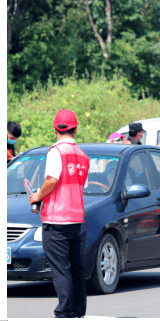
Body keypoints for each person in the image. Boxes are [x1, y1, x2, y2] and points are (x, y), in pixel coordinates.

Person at [29, 109, 90, 318]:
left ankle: (64, 311)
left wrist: (38, 196)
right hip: (75, 218)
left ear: (56, 128)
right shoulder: (83, 156)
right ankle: (78, 310)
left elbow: (52, 179)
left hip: (56, 218)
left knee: (60, 269)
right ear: (75, 129)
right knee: (76, 268)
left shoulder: (56, 151)